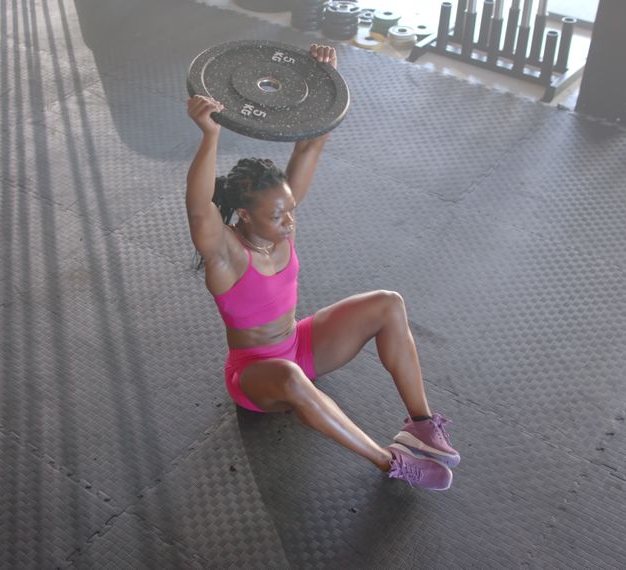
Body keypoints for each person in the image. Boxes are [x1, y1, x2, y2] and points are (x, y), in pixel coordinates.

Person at [184, 44, 459, 490]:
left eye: (290, 210)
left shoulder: (278, 222)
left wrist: (319, 80)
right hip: (258, 375)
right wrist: (209, 136)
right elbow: (198, 210)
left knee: (388, 304)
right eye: (279, 216)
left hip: (300, 344)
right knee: (292, 379)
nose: (290, 222)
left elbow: (312, 140)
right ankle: (388, 461)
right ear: (246, 216)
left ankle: (422, 425)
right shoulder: (225, 254)